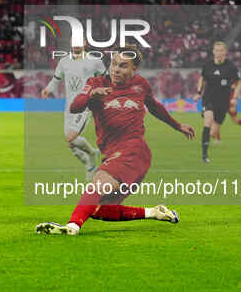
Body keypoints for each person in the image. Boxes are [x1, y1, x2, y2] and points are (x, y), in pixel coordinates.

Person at [36, 45, 195, 236]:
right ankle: (154, 212)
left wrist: (177, 125)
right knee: (97, 209)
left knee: (97, 184)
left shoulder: (141, 84)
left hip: (134, 151)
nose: (115, 70)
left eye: (122, 66)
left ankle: (72, 227)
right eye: (113, 64)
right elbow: (75, 107)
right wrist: (91, 94)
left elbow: (154, 107)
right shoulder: (96, 82)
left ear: (134, 69)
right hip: (113, 154)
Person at [41, 45, 107, 180]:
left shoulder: (95, 61)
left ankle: (92, 156)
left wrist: (103, 93)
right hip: (69, 106)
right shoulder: (64, 61)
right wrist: (48, 89)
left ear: (84, 42)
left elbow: (106, 79)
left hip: (84, 105)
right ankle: (89, 159)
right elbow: (56, 79)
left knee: (70, 137)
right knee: (71, 143)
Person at [193, 41, 240, 162]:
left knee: (213, 132)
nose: (219, 53)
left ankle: (206, 140)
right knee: (208, 121)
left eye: (221, 50)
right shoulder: (207, 65)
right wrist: (198, 93)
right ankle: (204, 156)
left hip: (223, 102)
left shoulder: (231, 67)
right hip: (208, 98)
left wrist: (235, 97)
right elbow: (202, 78)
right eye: (217, 50)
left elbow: (238, 83)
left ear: (225, 52)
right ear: (213, 52)